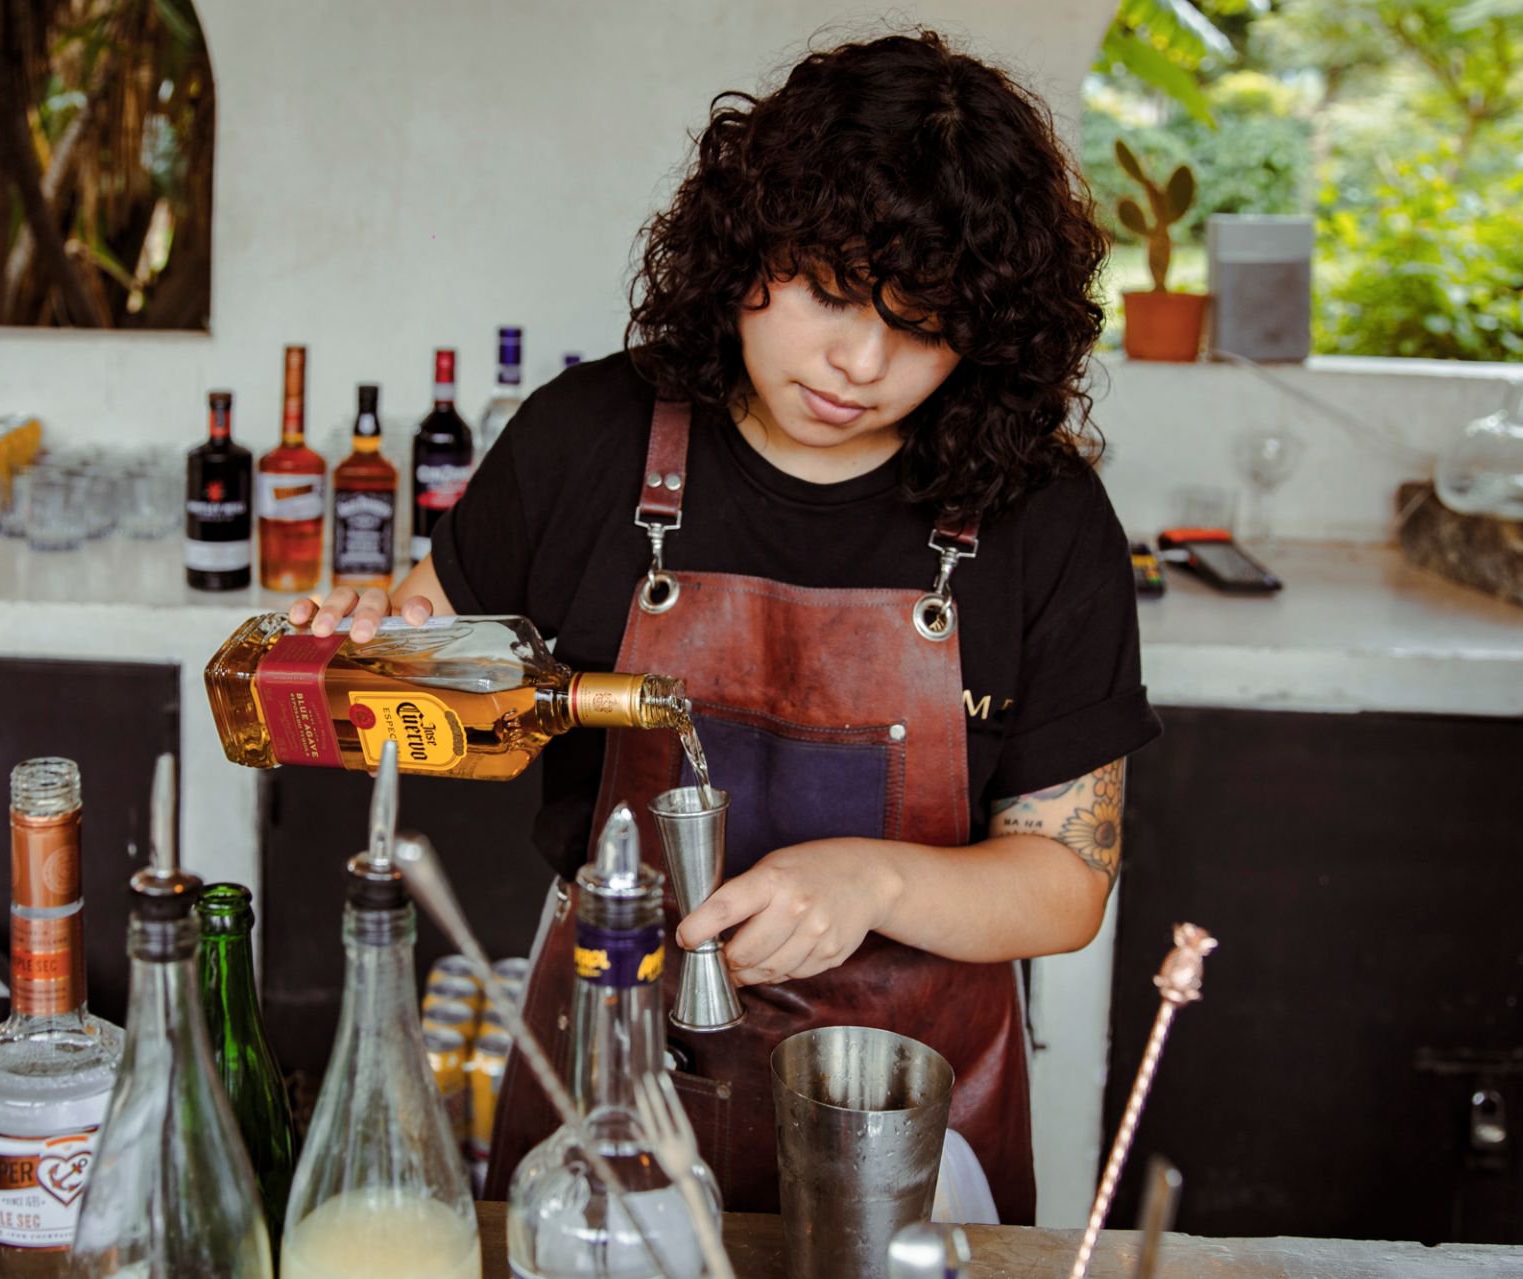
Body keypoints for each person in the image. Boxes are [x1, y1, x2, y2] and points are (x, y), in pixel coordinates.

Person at [289, 28, 1160, 1222]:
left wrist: (867, 880)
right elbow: (426, 676)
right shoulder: (587, 437)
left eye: (924, 327)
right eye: (832, 293)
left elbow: (1064, 883)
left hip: (907, 1111)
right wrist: (359, 644)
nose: (861, 362)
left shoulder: (1040, 514)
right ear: (745, 248)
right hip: (609, 1045)